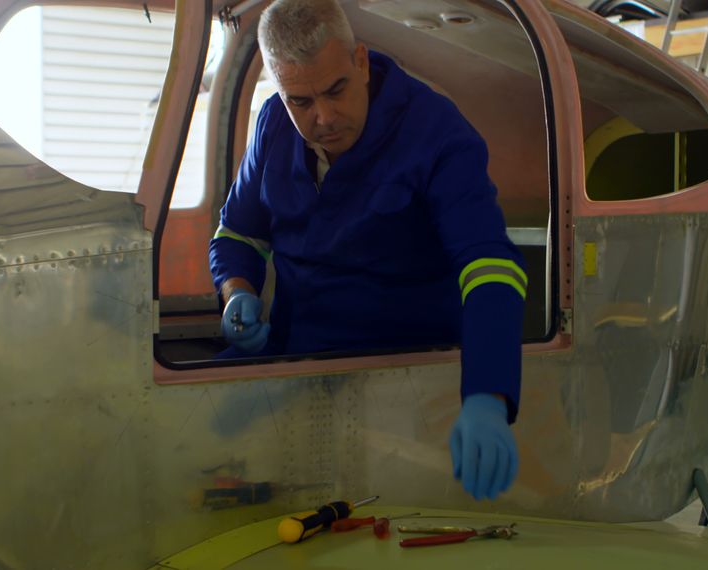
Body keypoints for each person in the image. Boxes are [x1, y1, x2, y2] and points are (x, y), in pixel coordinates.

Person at [208, 0, 526, 501]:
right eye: (301, 101)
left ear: (360, 61)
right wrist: (236, 294)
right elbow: (236, 234)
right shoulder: (271, 125)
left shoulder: (438, 133)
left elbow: (489, 268)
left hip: (402, 370)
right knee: (199, 444)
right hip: (293, 356)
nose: (324, 118)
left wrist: (488, 394)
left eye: (335, 90)